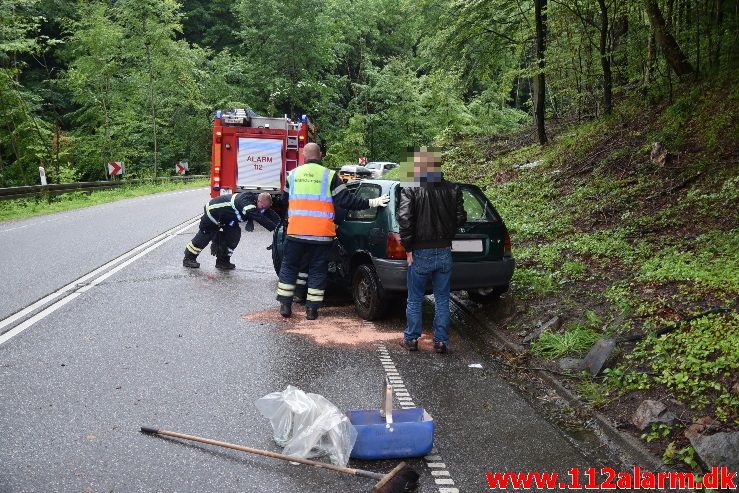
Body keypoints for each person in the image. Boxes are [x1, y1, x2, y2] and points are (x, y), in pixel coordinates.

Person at [277, 142, 389, 320]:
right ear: (320, 155)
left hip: (296, 232)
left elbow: (284, 201)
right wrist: (372, 202)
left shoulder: (293, 175)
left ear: (303, 156)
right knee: (317, 270)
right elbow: (347, 201)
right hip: (321, 235)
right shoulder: (329, 176)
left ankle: (285, 305)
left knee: (289, 267)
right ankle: (312, 310)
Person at [397, 148, 466, 353]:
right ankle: (441, 341)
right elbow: (461, 218)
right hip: (444, 250)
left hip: (420, 251)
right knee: (443, 298)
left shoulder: (410, 189)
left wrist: (408, 248)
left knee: (415, 297)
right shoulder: (453, 189)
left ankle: (411, 339)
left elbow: (404, 220)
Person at [184, 192, 281, 270]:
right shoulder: (246, 200)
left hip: (228, 220)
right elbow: (258, 216)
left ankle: (222, 261)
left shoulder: (259, 203)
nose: (263, 210)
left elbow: (269, 213)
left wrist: (281, 225)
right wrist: (274, 228)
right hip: (213, 215)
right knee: (204, 236)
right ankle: (189, 258)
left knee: (233, 235)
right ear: (259, 201)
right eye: (263, 207)